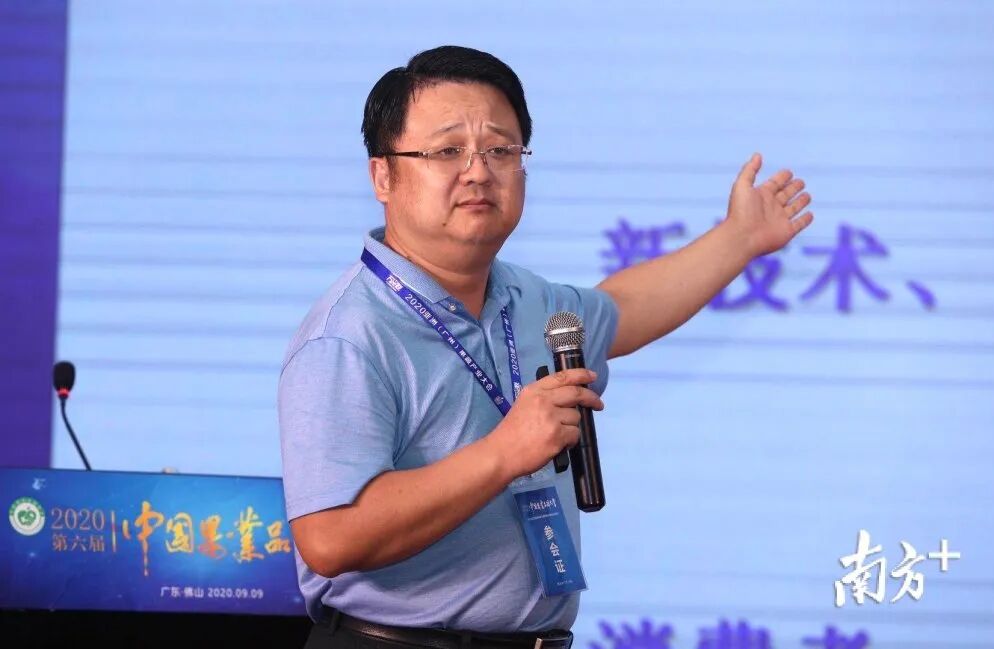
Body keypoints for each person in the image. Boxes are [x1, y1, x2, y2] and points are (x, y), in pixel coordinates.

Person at [278, 45, 813, 649]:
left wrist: (739, 238)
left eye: (501, 150)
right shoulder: (348, 335)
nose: (478, 171)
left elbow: (625, 309)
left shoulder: (524, 299)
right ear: (383, 175)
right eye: (448, 151)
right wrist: (505, 452)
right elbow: (330, 537)